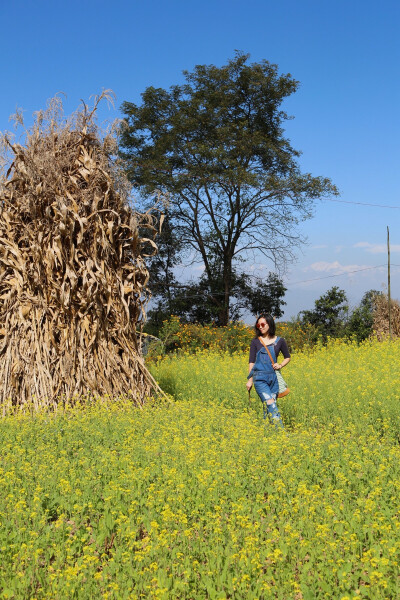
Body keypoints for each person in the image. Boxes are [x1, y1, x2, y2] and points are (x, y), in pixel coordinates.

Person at [246, 313, 291, 428]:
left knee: (268, 407)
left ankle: (267, 433)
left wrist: (280, 365)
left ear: (270, 324)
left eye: (262, 324)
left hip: (273, 379)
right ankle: (281, 433)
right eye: (258, 325)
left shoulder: (280, 341)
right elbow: (252, 362)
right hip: (260, 379)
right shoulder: (255, 341)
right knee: (271, 404)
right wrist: (250, 380)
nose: (260, 327)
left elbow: (288, 357)